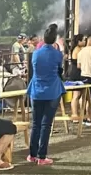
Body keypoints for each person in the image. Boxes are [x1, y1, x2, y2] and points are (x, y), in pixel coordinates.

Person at [27, 25, 65, 164]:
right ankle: (42, 157)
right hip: (52, 90)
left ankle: (32, 155)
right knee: (46, 124)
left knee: (35, 123)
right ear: (54, 39)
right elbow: (60, 70)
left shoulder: (36, 53)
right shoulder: (57, 54)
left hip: (36, 90)